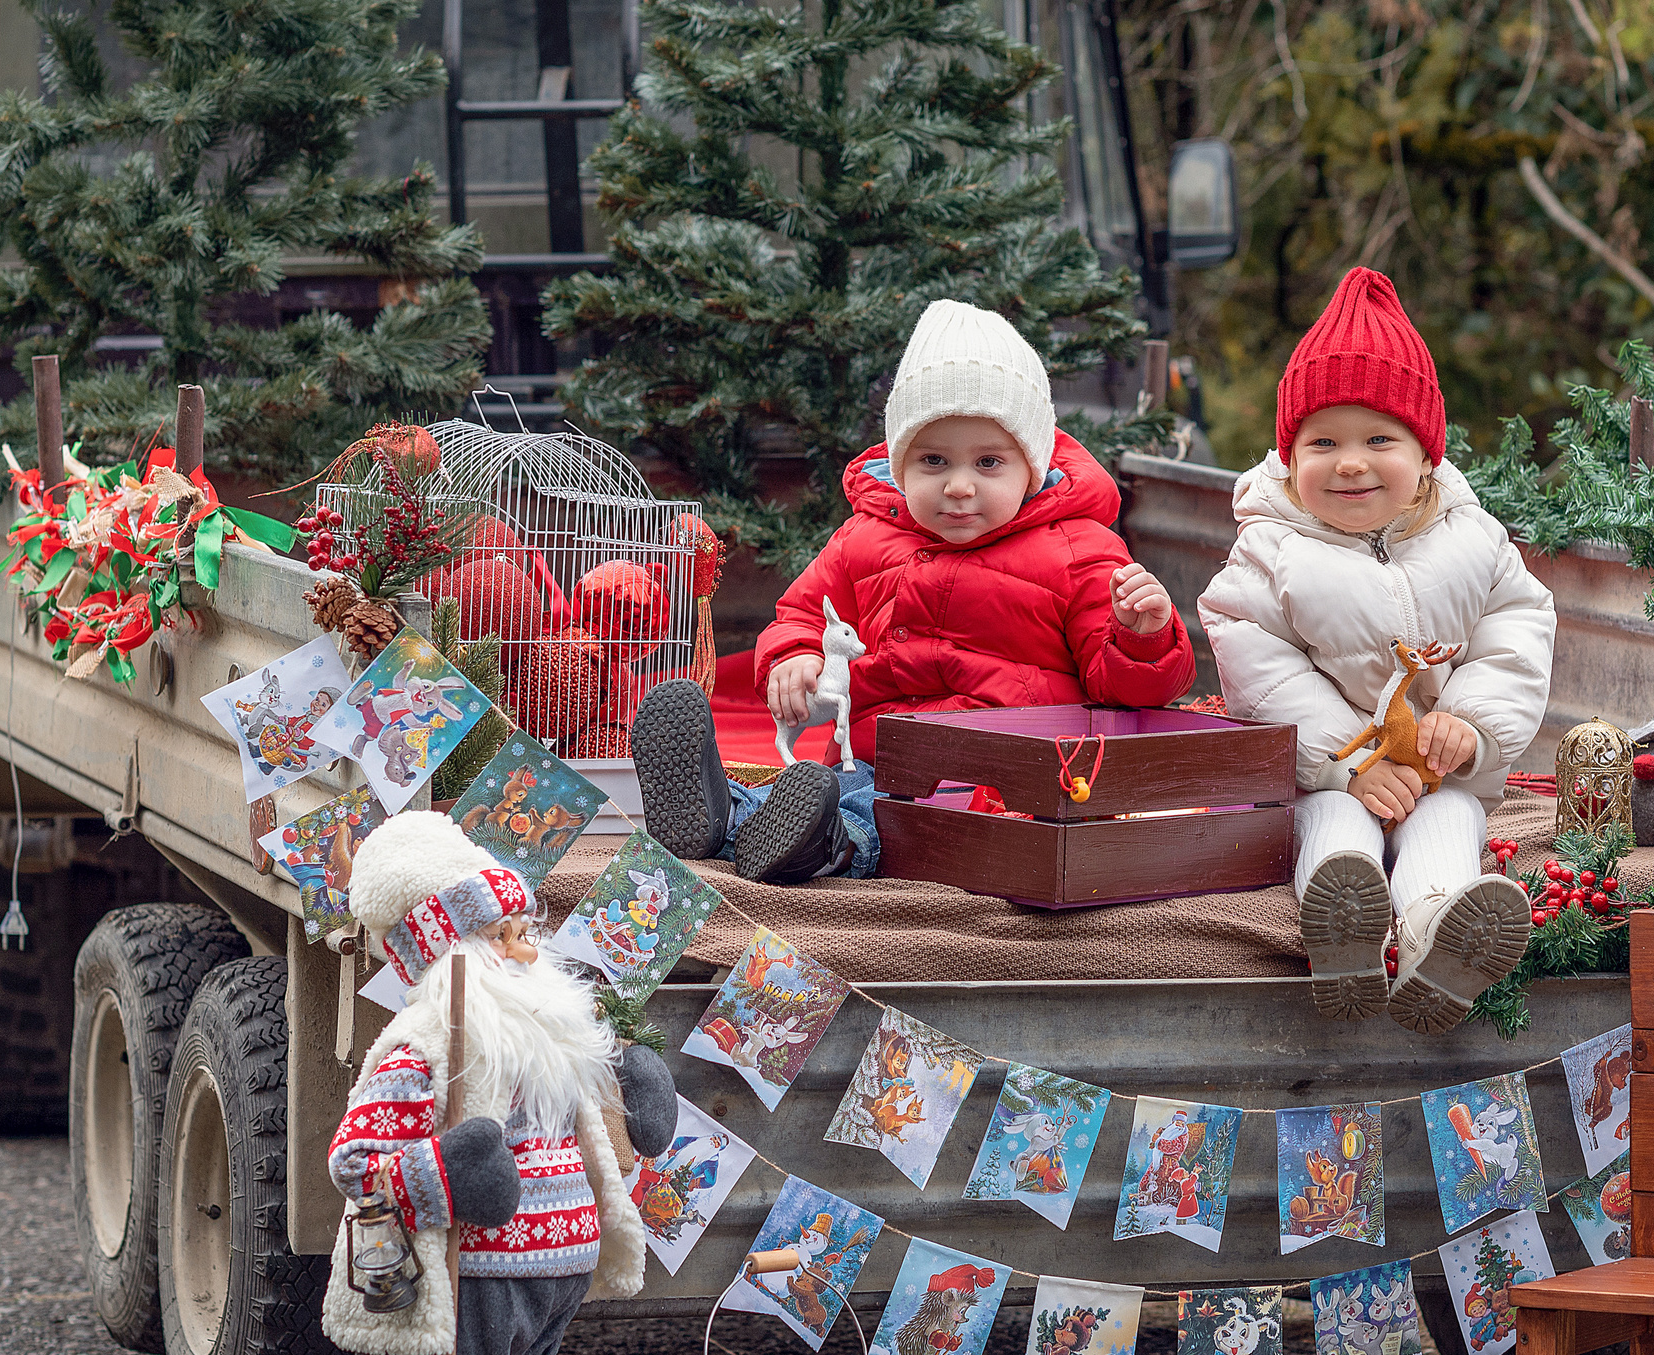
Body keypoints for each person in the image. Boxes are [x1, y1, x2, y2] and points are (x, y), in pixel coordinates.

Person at [632, 298, 1196, 883]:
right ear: (900, 467)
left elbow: (1125, 691)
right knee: (847, 790)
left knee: (884, 817)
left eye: (987, 463)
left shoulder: (1079, 550)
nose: (957, 485)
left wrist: (1143, 636)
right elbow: (802, 610)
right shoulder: (865, 537)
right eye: (933, 460)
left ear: (1032, 466)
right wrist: (794, 655)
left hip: (1000, 771)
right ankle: (722, 815)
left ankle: (824, 843)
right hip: (879, 754)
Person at [1200, 268, 1554, 1032]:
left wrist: (1470, 724)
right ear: (1289, 457)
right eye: (1321, 441)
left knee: (1450, 821)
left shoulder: (1473, 539)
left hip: (1436, 767)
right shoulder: (1272, 548)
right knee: (1333, 822)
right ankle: (1345, 920)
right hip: (1325, 769)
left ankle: (1436, 932)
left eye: (1378, 440)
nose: (1350, 461)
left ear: (1427, 454)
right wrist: (1351, 760)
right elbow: (1257, 660)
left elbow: (1516, 627)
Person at [322, 811, 677, 1355]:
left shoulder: (546, 1036)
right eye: (504, 938)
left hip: (549, 1271)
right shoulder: (425, 1048)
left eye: (525, 932)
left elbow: (600, 1127)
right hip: (476, 1273)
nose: (528, 952)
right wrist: (444, 1176)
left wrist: (630, 1085)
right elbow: (356, 1161)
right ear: (452, 952)